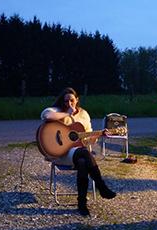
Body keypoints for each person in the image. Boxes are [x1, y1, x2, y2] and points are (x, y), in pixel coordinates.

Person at [40, 87, 116, 216]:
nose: (69, 104)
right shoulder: (56, 111)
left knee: (82, 160)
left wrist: (99, 135)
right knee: (84, 154)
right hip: (60, 153)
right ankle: (101, 186)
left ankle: (82, 203)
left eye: (72, 101)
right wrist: (67, 113)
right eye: (65, 101)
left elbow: (88, 141)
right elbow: (46, 115)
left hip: (78, 153)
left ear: (77, 100)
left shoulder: (84, 114)